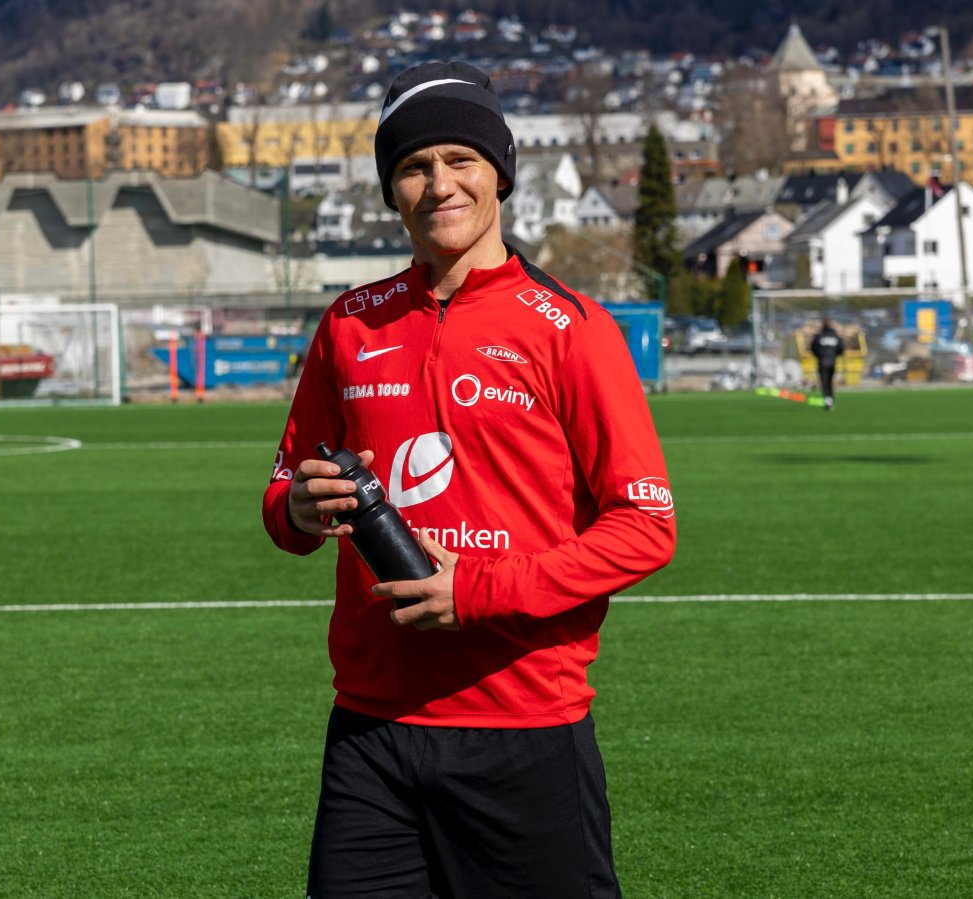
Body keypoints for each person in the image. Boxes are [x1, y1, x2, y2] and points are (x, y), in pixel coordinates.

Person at [260, 60, 677, 898]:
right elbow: (282, 501)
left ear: (500, 173)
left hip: (523, 722)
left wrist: (479, 590)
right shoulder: (349, 325)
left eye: (460, 159)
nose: (439, 184)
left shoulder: (572, 329)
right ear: (391, 189)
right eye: (414, 166)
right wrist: (299, 507)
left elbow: (645, 526)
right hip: (371, 728)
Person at [810, 316, 845, 410]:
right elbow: (841, 348)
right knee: (829, 382)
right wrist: (834, 355)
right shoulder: (835, 336)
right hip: (832, 362)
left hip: (822, 362)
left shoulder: (819, 336)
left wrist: (819, 356)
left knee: (824, 382)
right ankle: (830, 400)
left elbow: (813, 348)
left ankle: (827, 400)